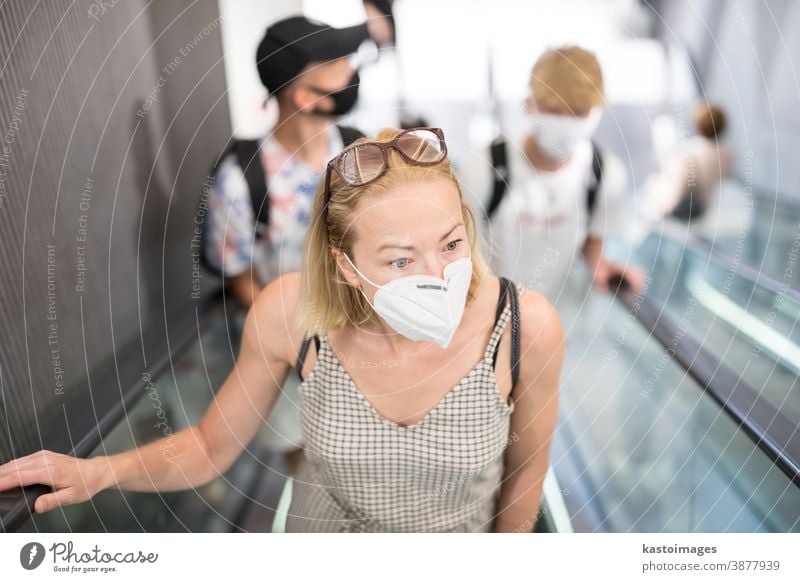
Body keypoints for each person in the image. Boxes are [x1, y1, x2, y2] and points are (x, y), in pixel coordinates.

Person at [0, 127, 564, 533]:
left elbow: (526, 474)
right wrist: (99, 471)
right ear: (346, 265)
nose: (438, 277)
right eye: (399, 260)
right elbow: (208, 445)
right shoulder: (291, 315)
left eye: (450, 243)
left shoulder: (524, 328)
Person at [203, 15, 380, 472]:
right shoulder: (241, 182)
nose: (351, 71)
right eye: (337, 62)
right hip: (292, 368)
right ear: (304, 95)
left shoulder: (363, 155)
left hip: (372, 351)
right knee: (311, 473)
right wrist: (300, 349)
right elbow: (243, 281)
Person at [468, 46, 644, 303]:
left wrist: (602, 265)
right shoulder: (485, 166)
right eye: (554, 111)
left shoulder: (605, 174)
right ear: (528, 105)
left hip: (562, 322)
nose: (566, 122)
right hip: (491, 319)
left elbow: (593, 244)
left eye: (579, 112)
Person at [645, 103, 732, 221]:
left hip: (681, 211)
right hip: (705, 209)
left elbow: (676, 194)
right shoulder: (727, 155)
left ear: (698, 125)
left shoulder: (688, 154)